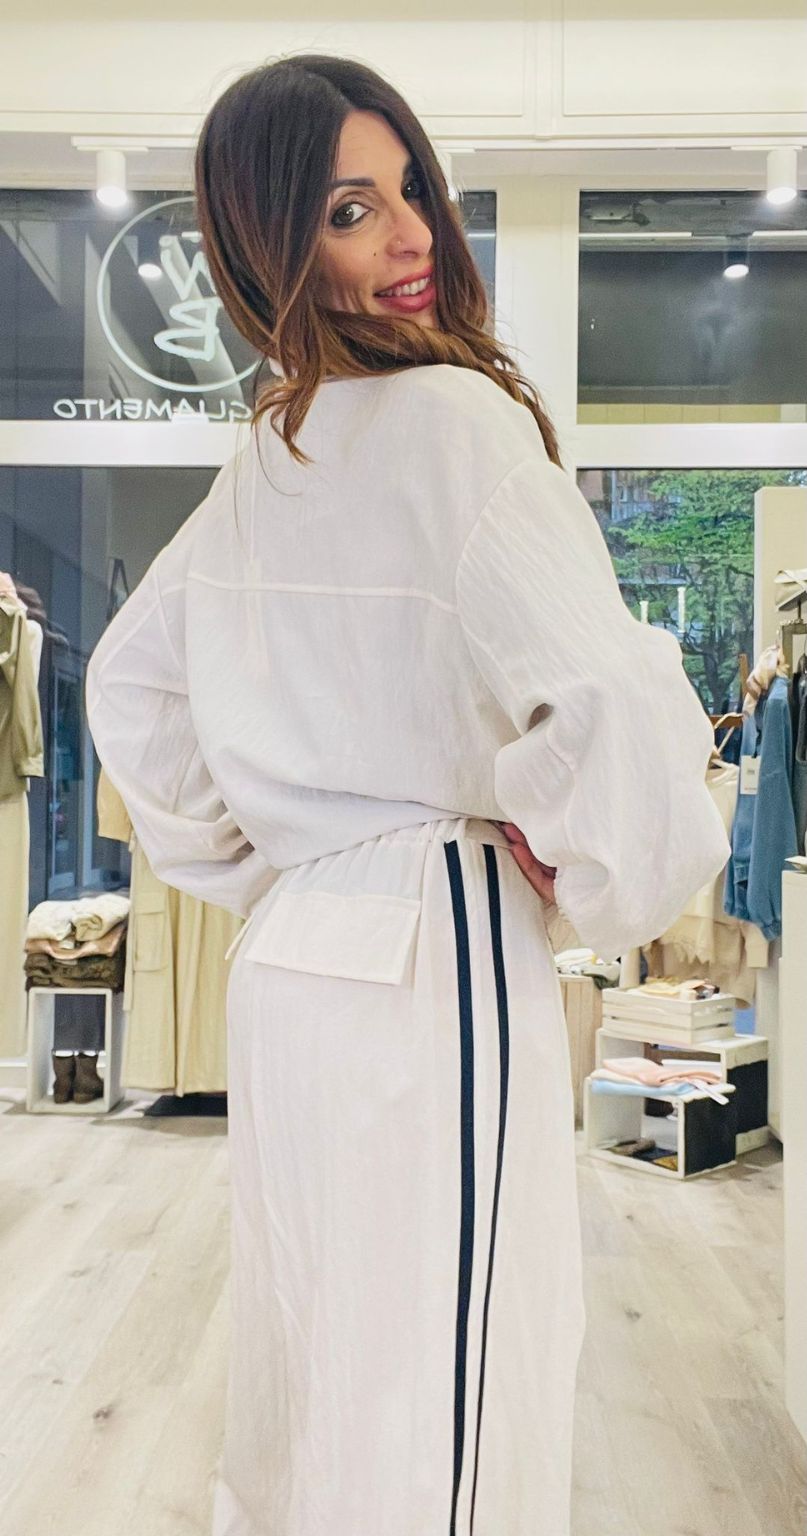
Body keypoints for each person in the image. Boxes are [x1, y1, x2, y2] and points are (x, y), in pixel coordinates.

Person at [85, 54, 730, 1536]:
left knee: (313, 1362)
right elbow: (614, 703)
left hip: (296, 958)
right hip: (436, 940)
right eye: (348, 211)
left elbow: (132, 693)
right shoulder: (455, 422)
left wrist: (283, 864)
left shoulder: (264, 458)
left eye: (409, 192)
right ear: (272, 245)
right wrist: (593, 877)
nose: (410, 236)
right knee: (455, 1386)